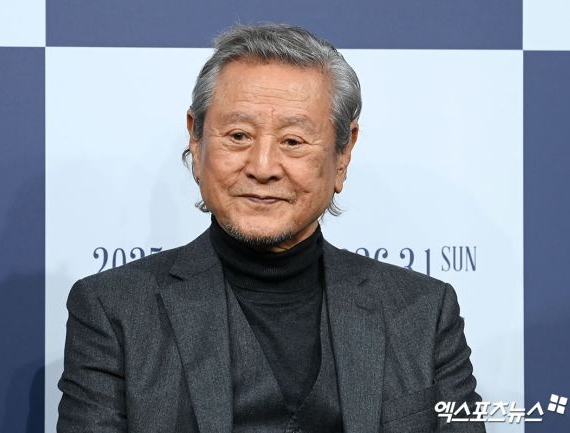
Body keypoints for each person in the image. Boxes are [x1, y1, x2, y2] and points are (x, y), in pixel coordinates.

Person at [57, 23, 485, 433]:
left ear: (342, 155)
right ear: (196, 139)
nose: (262, 168)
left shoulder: (424, 312)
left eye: (293, 141)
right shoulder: (114, 310)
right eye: (238, 136)